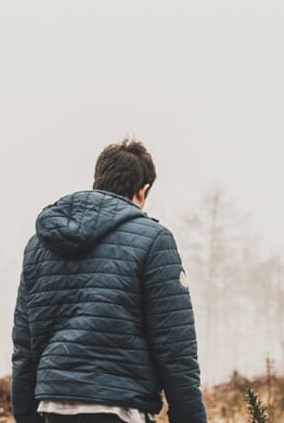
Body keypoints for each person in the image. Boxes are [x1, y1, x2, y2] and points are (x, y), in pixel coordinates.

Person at [11, 139, 207, 423]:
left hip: (53, 407)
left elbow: (24, 348)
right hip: (119, 407)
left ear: (98, 181)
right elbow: (175, 347)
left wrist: (27, 417)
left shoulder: (39, 246)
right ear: (143, 190)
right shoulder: (153, 240)